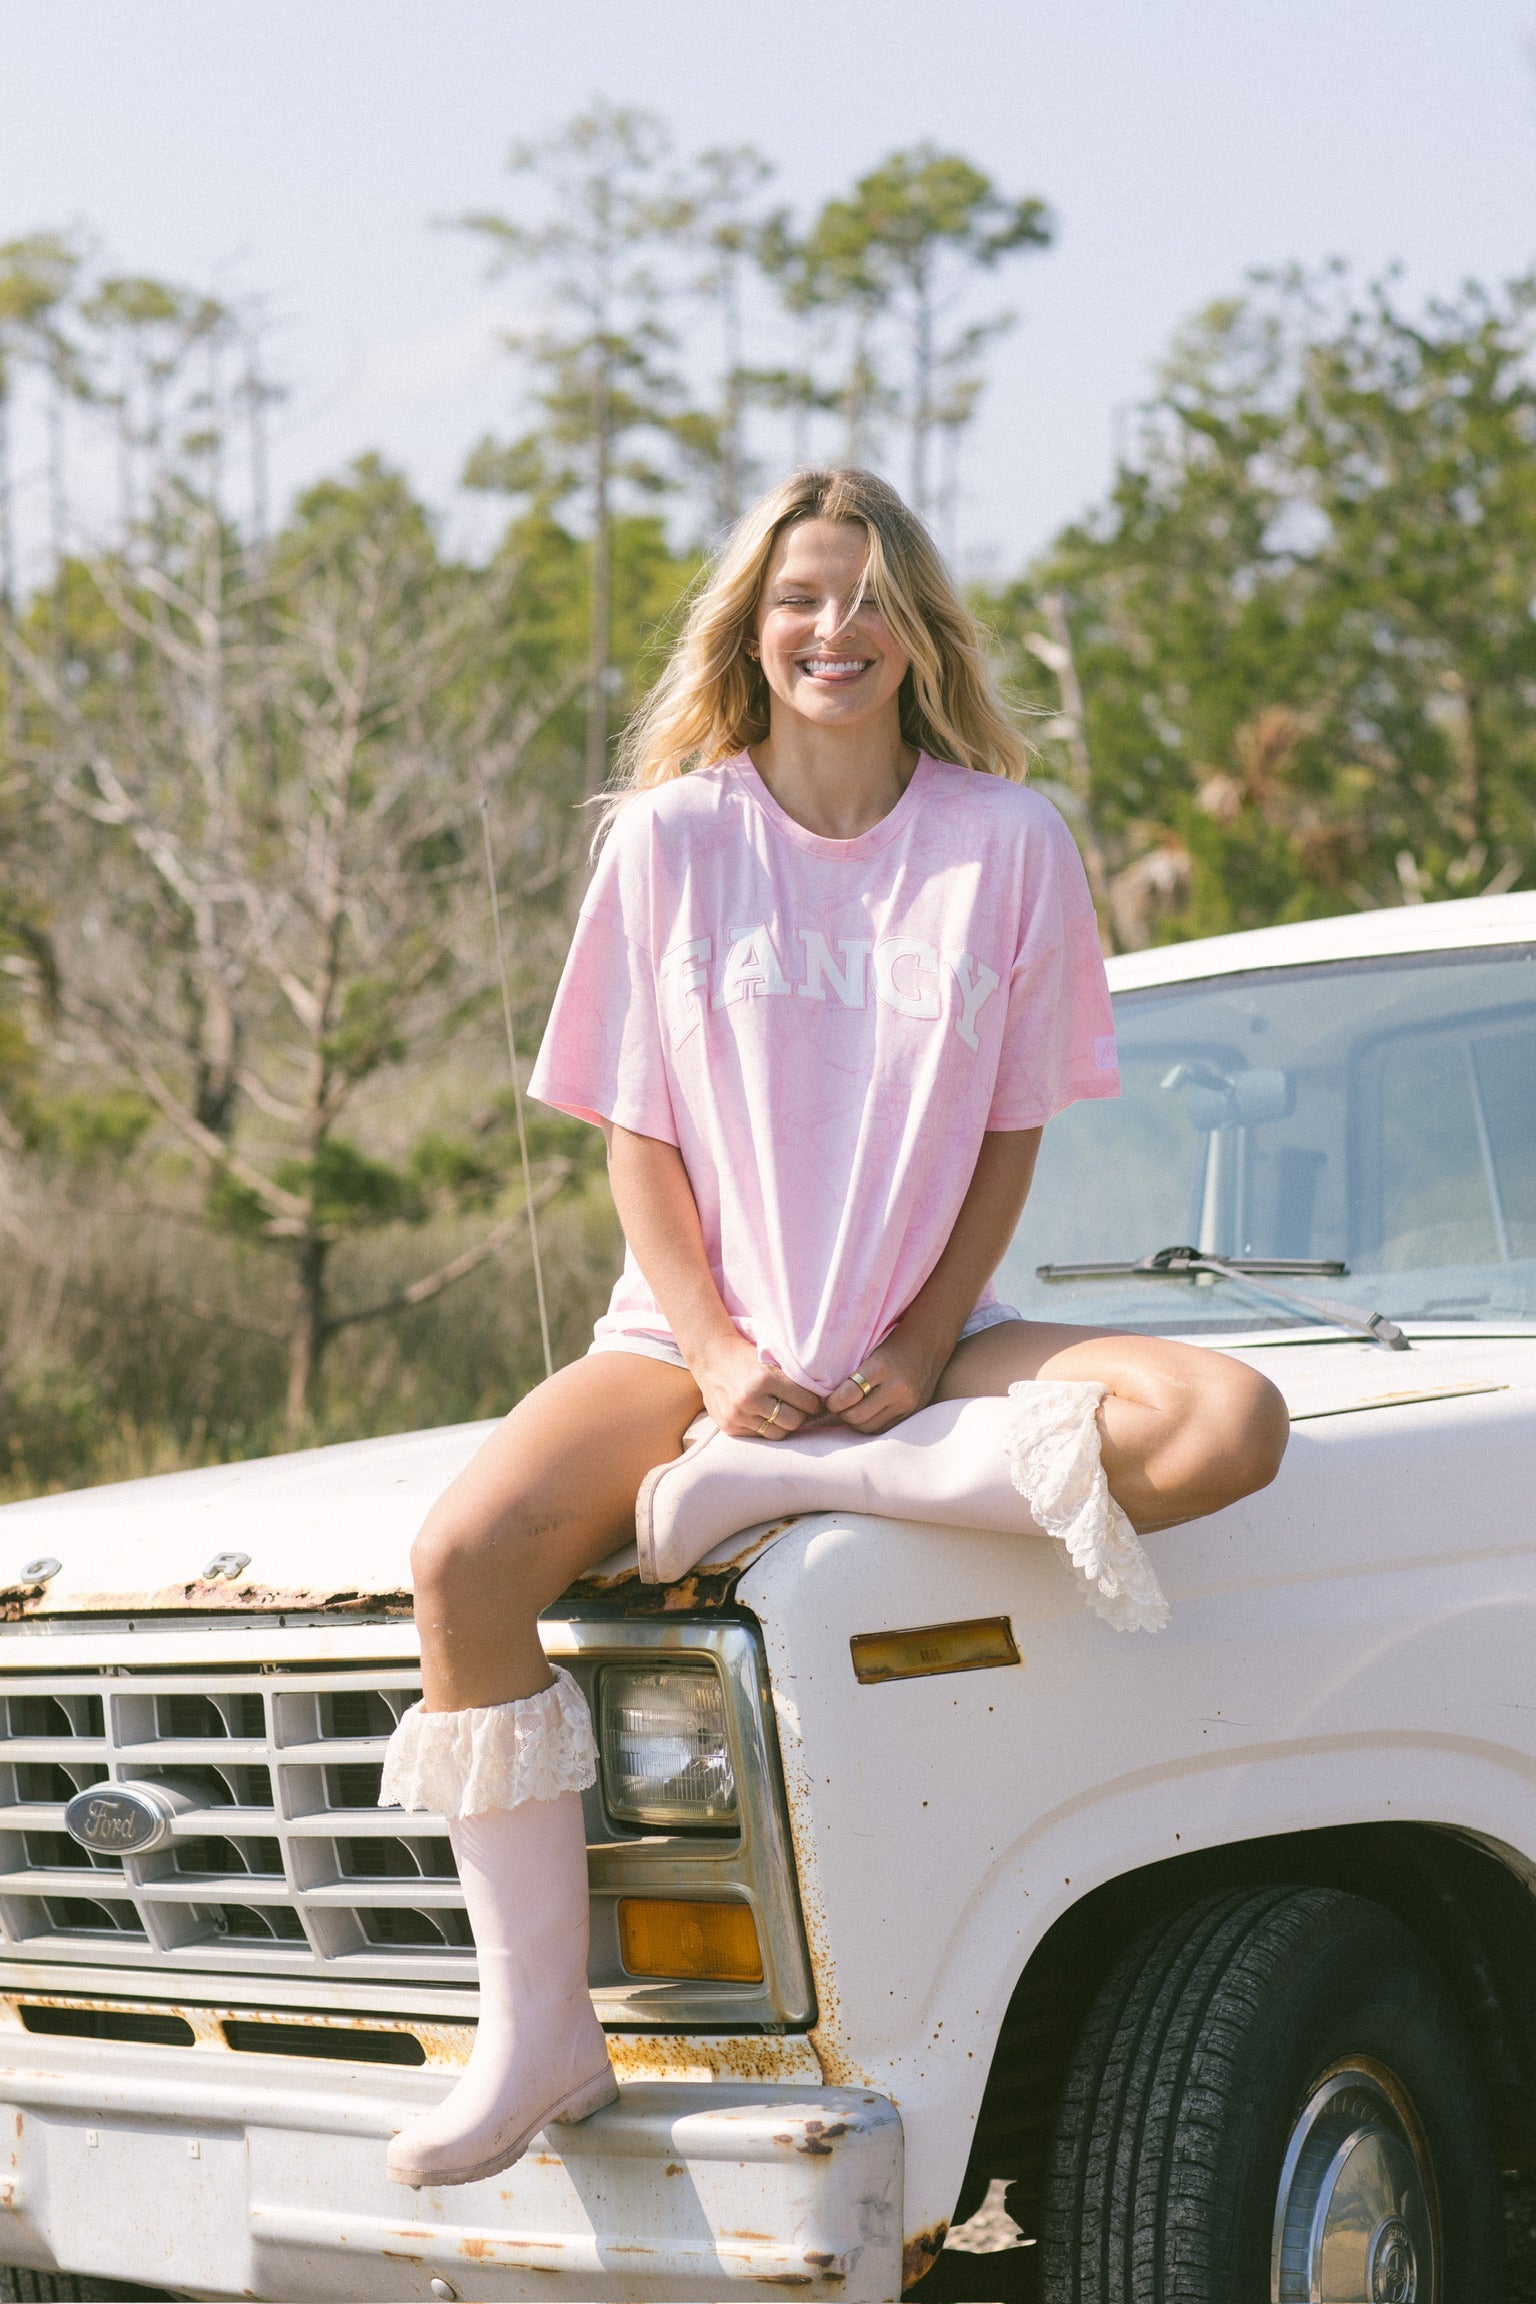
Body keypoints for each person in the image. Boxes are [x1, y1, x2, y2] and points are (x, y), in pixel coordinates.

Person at [378, 467, 1289, 2190]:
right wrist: (720, 1364)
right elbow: (634, 1130)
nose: (834, 630)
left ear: (918, 632)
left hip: (924, 1345)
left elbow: (1013, 1125)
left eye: (871, 599)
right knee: (465, 1561)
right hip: (692, 1342)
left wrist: (930, 1349)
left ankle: (825, 1487)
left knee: (1227, 1424)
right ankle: (539, 2033)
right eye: (802, 598)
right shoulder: (670, 840)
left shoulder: (1008, 841)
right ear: (753, 626)